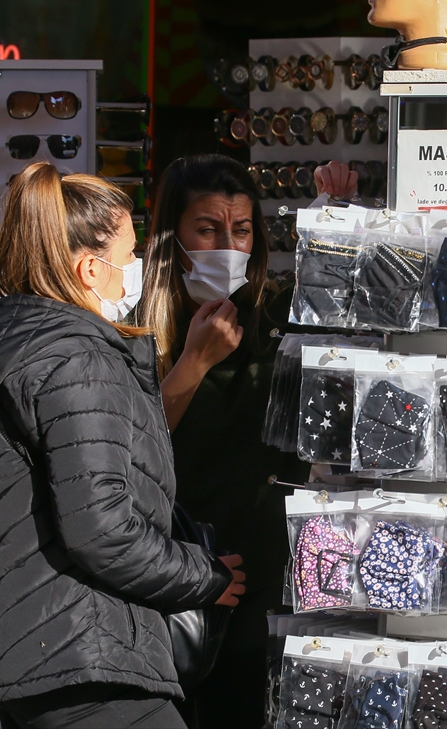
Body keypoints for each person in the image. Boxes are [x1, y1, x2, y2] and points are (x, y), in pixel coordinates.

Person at [0, 163, 246, 729]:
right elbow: (100, 528)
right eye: (126, 260)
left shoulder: (9, 349)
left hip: (39, 651)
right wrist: (204, 576)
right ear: (89, 269)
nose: (133, 278)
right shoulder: (77, 358)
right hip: (88, 656)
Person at [138, 154, 309, 727]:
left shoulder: (273, 317)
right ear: (172, 237)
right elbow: (129, 452)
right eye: (207, 229)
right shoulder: (137, 333)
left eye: (240, 230)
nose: (226, 247)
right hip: (179, 573)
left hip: (271, 573)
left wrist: (336, 216)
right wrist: (192, 362)